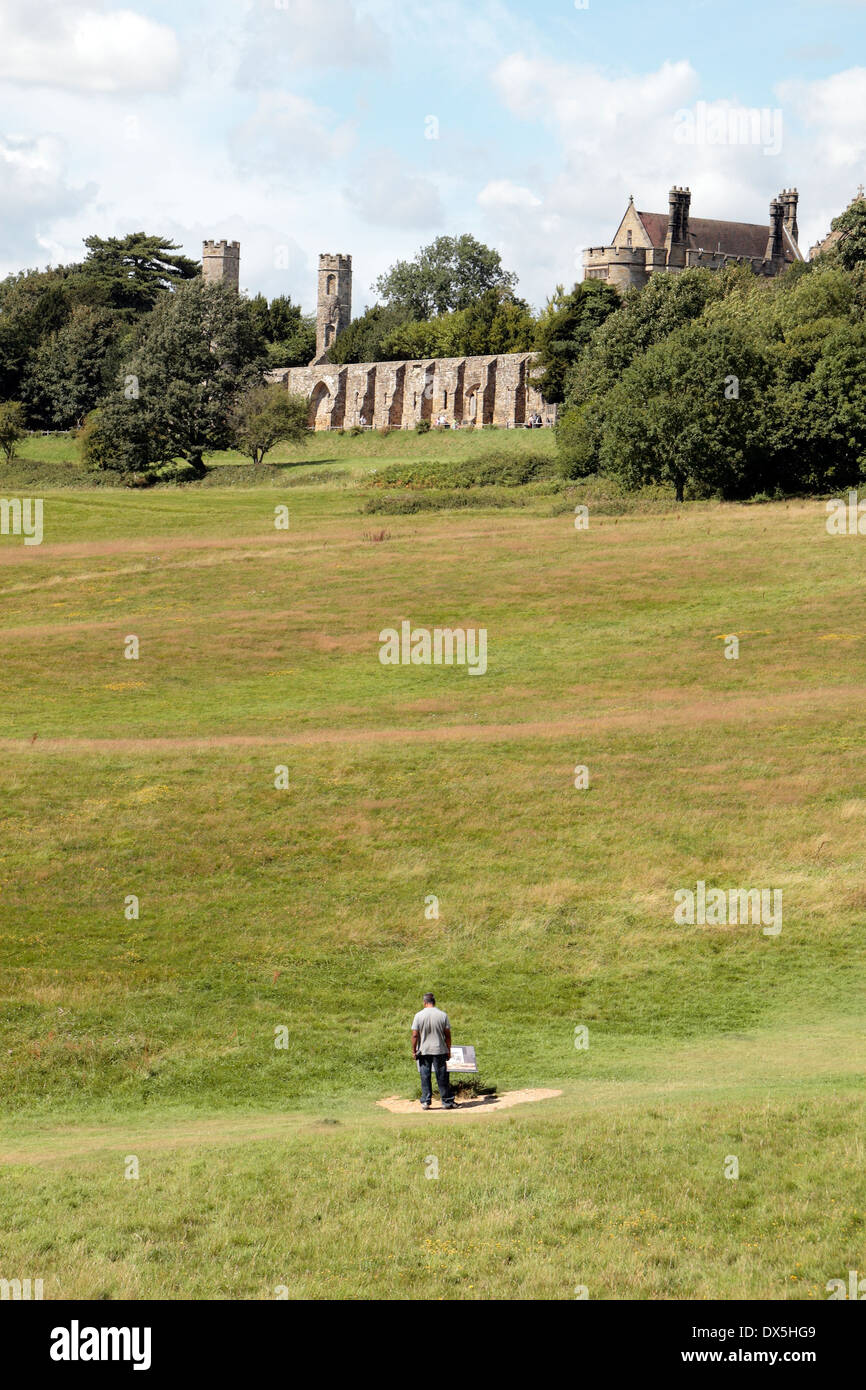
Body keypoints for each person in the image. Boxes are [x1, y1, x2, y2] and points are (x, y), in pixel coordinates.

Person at [411, 993, 456, 1110]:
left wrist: (414, 1050)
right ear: (434, 1002)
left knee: (425, 1076)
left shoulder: (418, 1015)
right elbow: (447, 1035)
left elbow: (415, 1035)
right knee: (442, 1076)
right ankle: (446, 1101)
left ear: (424, 1002)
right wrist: (448, 1049)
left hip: (424, 1050)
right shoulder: (443, 1015)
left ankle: (426, 1101)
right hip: (439, 1049)